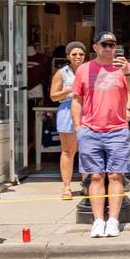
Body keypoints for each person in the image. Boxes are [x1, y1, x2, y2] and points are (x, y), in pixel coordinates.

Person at [72, 32, 130, 238]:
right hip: (91, 129)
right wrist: (78, 127)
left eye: (112, 45)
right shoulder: (84, 69)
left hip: (117, 130)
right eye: (105, 44)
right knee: (95, 176)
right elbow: (76, 99)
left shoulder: (125, 68)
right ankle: (98, 220)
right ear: (95, 47)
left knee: (116, 175)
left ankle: (113, 220)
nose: (109, 48)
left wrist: (127, 72)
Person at [50, 41, 88, 199]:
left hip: (87, 109)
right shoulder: (62, 72)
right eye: (74, 54)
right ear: (68, 56)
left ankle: (87, 185)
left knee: (88, 150)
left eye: (81, 54)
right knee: (68, 150)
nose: (78, 57)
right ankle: (66, 187)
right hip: (67, 109)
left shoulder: (89, 70)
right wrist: (69, 90)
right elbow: (53, 96)